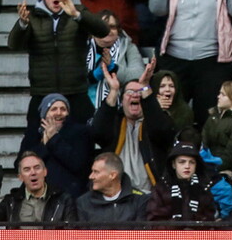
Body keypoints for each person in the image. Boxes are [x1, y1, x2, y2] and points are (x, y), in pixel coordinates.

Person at [8, 0, 110, 128]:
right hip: (42, 92)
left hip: (75, 91)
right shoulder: (32, 17)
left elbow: (103, 31)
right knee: (35, 142)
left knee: (83, 142)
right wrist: (22, 24)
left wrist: (76, 15)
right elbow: (13, 45)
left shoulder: (79, 12)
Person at [91, 58, 175, 194]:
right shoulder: (114, 122)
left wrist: (146, 88)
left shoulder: (154, 121)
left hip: (149, 195)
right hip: (116, 195)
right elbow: (97, 133)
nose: (135, 95)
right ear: (122, 99)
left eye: (140, 92)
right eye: (129, 92)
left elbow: (163, 131)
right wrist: (113, 91)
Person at [18, 93, 94, 198]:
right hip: (38, 196)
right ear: (44, 113)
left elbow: (77, 164)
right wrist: (44, 145)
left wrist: (54, 138)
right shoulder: (33, 134)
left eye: (63, 109)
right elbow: (21, 163)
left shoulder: (80, 132)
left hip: (69, 196)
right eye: (53, 109)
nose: (59, 113)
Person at [0, 151, 77, 223]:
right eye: (27, 169)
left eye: (37, 168)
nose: (33, 173)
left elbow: (70, 235)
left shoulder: (63, 200)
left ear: (45, 172)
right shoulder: (12, 201)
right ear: (20, 177)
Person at [147, 141, 217, 221]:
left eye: (192, 162)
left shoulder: (204, 189)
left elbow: (210, 222)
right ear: (173, 164)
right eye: (182, 162)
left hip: (196, 233)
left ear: (196, 165)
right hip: (169, 233)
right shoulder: (160, 189)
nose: (187, 166)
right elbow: (154, 223)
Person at [76, 152, 150, 224]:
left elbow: (140, 235)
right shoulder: (83, 202)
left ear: (112, 175)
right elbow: (83, 235)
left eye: (96, 172)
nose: (91, 176)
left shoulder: (140, 200)